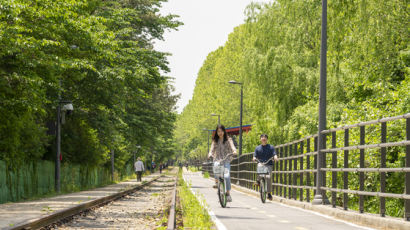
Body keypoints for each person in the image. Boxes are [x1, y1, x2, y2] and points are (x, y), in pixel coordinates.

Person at [207, 125, 237, 202]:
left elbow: (232, 146)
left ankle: (228, 193)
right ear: (216, 132)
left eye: (221, 131)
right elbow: (212, 149)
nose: (220, 133)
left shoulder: (228, 139)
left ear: (224, 131)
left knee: (227, 176)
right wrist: (210, 153)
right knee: (216, 167)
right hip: (217, 160)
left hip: (226, 159)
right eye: (218, 131)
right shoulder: (215, 141)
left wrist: (234, 151)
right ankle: (217, 182)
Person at [253, 134, 278, 200]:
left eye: (265, 138)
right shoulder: (257, 148)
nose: (263, 139)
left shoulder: (271, 147)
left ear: (267, 139)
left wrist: (275, 157)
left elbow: (274, 153)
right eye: (262, 138)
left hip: (268, 164)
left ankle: (269, 193)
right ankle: (258, 181)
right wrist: (254, 158)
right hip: (261, 163)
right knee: (259, 166)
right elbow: (255, 155)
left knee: (268, 177)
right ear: (260, 139)